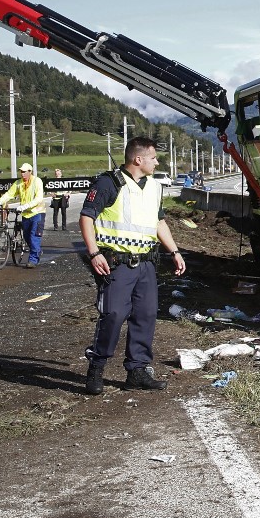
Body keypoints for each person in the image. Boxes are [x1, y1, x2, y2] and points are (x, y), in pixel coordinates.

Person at [80, 136, 185, 394]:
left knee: (146, 316)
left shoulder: (154, 187)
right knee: (113, 314)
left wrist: (174, 251)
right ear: (138, 159)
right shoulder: (108, 183)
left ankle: (137, 371)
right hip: (117, 264)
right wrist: (94, 253)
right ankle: (96, 368)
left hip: (147, 263)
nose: (157, 162)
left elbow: (159, 222)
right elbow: (86, 217)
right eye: (153, 157)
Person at [0, 162, 46, 268]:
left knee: (34, 236)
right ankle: (37, 251)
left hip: (37, 213)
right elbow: (9, 194)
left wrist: (25, 206)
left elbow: (39, 198)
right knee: (26, 236)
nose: (22, 174)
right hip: (26, 214)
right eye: (21, 172)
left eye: (24, 172)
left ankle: (33, 260)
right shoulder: (18, 183)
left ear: (30, 172)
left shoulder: (37, 181)